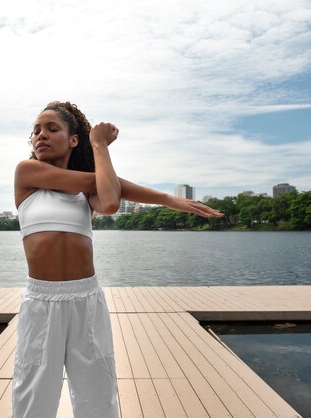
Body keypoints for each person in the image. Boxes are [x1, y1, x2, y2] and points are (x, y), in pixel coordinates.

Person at [13, 101, 223, 418]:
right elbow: (105, 184)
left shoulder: (89, 192)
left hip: (86, 298)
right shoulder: (27, 173)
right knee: (33, 395)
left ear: (73, 140)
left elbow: (110, 201)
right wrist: (161, 194)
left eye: (52, 129)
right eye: (36, 130)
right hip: (42, 301)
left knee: (97, 394)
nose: (40, 135)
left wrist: (168, 199)